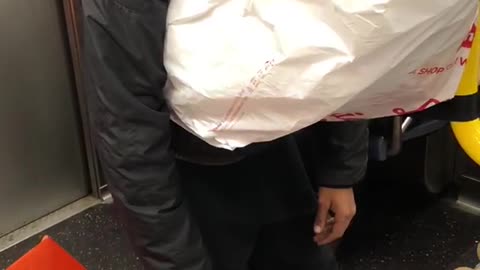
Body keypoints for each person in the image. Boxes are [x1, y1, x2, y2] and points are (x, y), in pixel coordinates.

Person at [81, 0, 369, 269]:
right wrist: (175, 259)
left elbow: (339, 28)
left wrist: (340, 168)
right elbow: (128, 122)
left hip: (288, 147)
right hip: (190, 172)